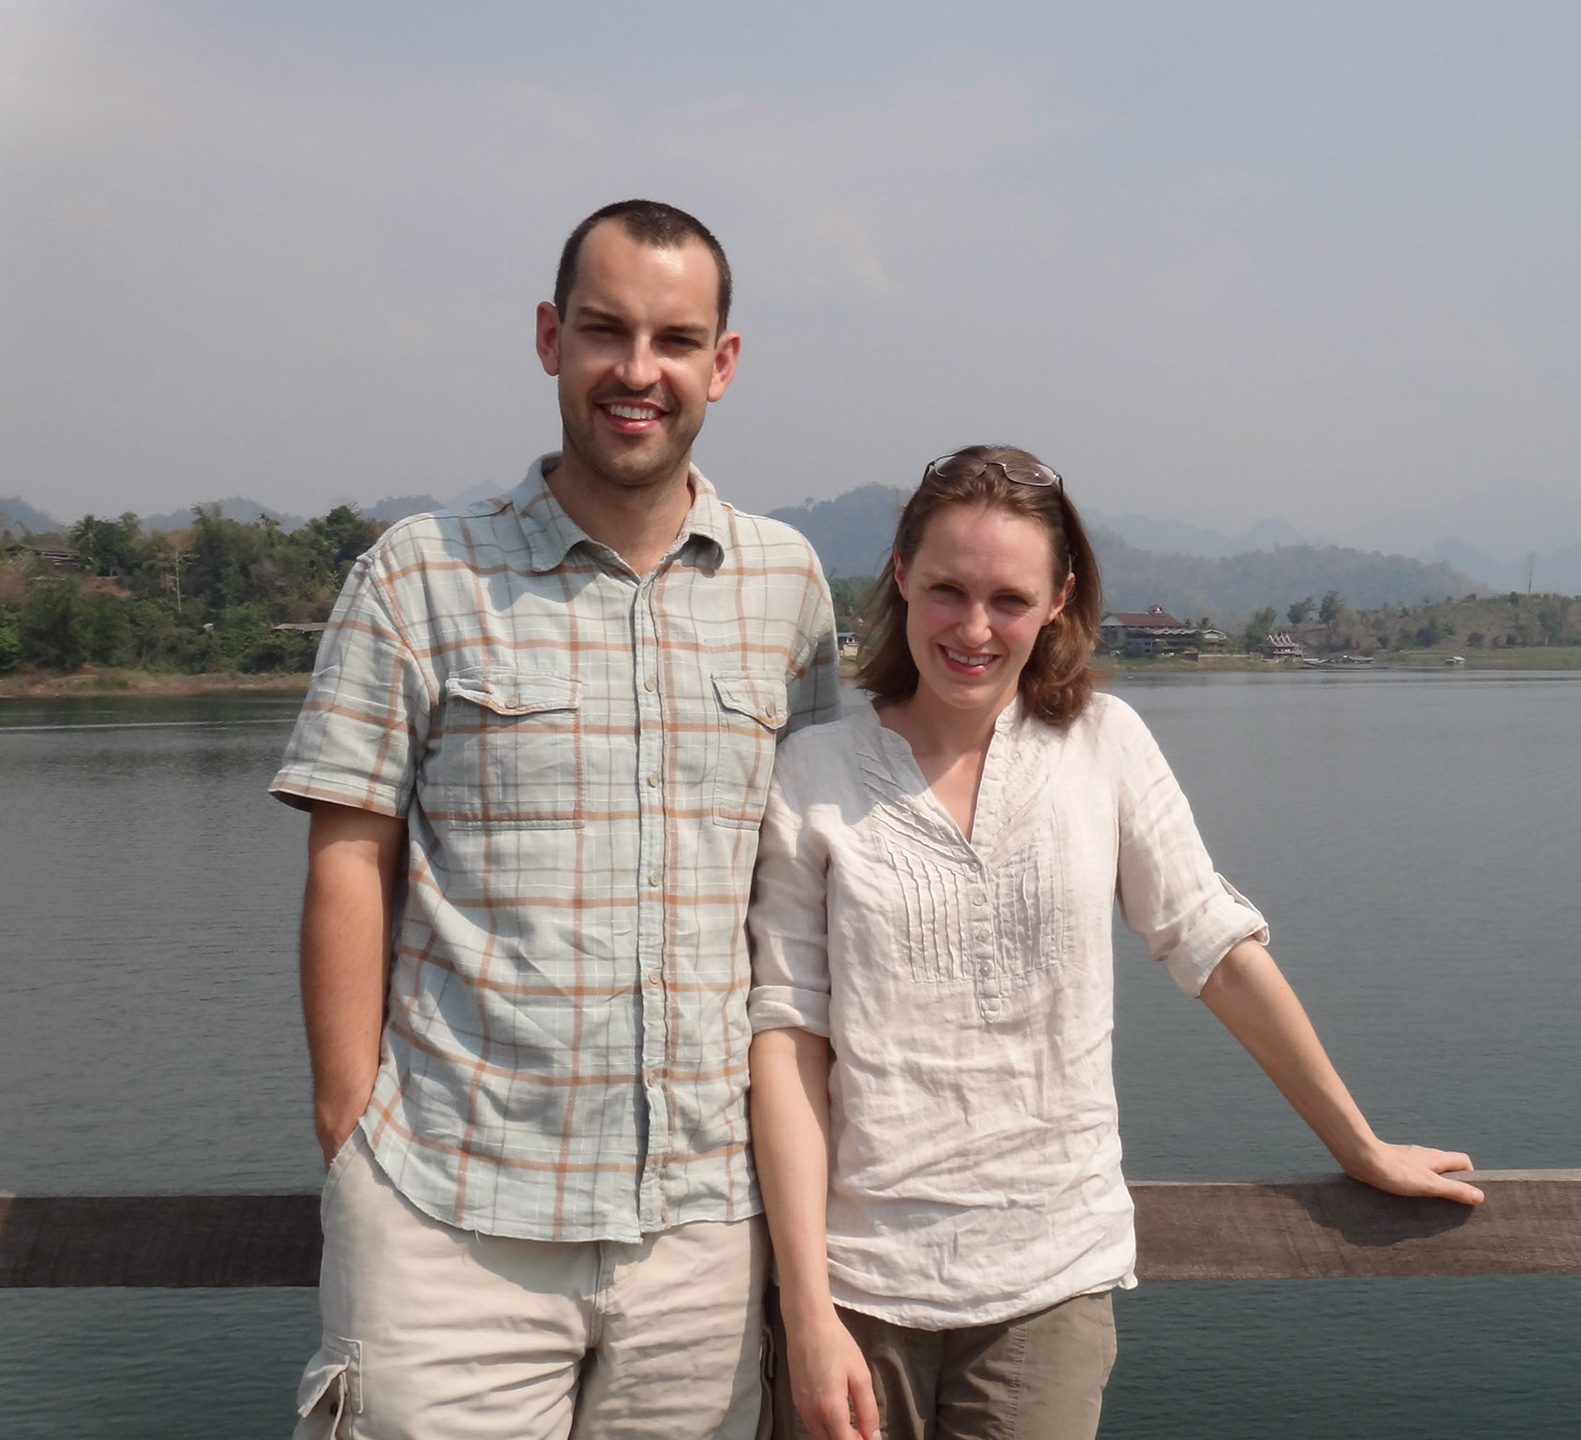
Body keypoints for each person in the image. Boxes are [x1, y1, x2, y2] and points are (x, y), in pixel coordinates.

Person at [746, 446, 1481, 1440]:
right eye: (946, 591)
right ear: (899, 577)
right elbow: (789, 1038)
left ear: (1060, 598)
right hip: (860, 1291)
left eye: (1008, 598)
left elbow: (1213, 946)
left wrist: (1358, 1143)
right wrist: (806, 1308)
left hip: (1050, 1283)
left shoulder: (1105, 745)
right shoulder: (815, 771)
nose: (972, 628)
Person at [273, 199, 840, 1439]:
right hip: (448, 1215)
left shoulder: (786, 588)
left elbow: (799, 893)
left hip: (699, 1229)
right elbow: (348, 863)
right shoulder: (420, 575)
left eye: (677, 340)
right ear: (550, 339)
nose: (638, 372)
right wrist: (350, 1132)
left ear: (722, 365)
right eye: (606, 331)